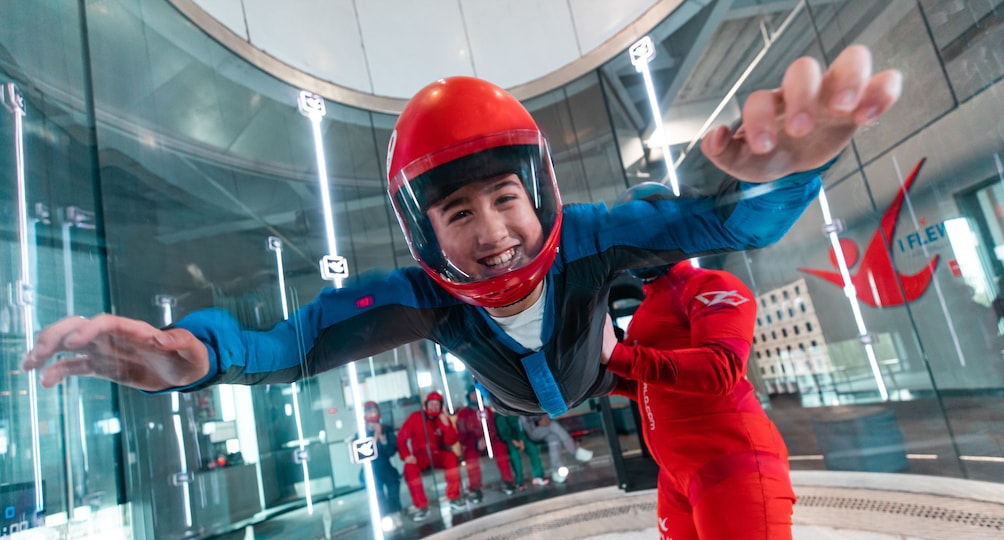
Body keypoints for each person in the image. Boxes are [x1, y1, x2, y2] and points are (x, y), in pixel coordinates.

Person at [23, 46, 901, 421]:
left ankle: (617, 319)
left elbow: (722, 220)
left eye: (505, 199)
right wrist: (196, 356)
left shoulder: (595, 235)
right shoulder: (419, 298)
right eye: (458, 212)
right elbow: (288, 343)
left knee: (645, 257)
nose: (495, 234)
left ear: (544, 193)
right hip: (549, 389)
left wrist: (787, 168)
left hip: (599, 361)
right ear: (423, 230)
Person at [600, 209, 796, 540]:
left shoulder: (711, 285)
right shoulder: (647, 310)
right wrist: (600, 376)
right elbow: (652, 386)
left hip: (733, 465)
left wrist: (618, 357)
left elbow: (721, 369)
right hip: (677, 474)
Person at [396, 391, 464, 521]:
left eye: (436, 404)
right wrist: (406, 455)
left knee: (451, 458)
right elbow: (401, 437)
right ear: (426, 405)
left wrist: (446, 425)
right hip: (420, 457)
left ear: (440, 406)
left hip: (437, 455)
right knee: (409, 467)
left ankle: (453, 498)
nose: (434, 407)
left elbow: (451, 441)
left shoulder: (442, 419)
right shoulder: (415, 417)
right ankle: (422, 506)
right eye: (431, 404)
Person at [455, 387, 517, 500]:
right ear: (468, 396)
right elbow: (462, 435)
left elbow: (493, 429)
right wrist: (475, 443)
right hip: (472, 444)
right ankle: (475, 488)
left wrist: (487, 439)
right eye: (472, 394)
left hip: (490, 441)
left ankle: (507, 481)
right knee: (471, 458)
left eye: (476, 394)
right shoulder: (462, 414)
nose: (474, 396)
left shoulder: (487, 410)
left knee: (501, 448)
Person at [356, 401, 403, 527]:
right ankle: (383, 515)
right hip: (370, 468)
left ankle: (395, 512)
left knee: (393, 482)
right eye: (369, 412)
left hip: (385, 465)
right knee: (377, 490)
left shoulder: (386, 429)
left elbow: (392, 451)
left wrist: (382, 438)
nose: (372, 414)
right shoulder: (360, 433)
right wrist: (374, 440)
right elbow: (362, 456)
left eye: (374, 411)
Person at [518, 414, 592, 483]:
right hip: (533, 432)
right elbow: (525, 426)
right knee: (554, 426)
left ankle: (555, 472)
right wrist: (538, 423)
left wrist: (546, 419)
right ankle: (575, 451)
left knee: (554, 440)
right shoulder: (522, 405)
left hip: (546, 428)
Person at [494, 411, 549, 488]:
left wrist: (521, 441)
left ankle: (538, 476)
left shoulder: (513, 412)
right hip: (509, 441)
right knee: (515, 455)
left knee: (533, 449)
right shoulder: (499, 415)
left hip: (521, 438)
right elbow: (503, 433)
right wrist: (513, 441)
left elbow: (519, 428)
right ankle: (519, 481)